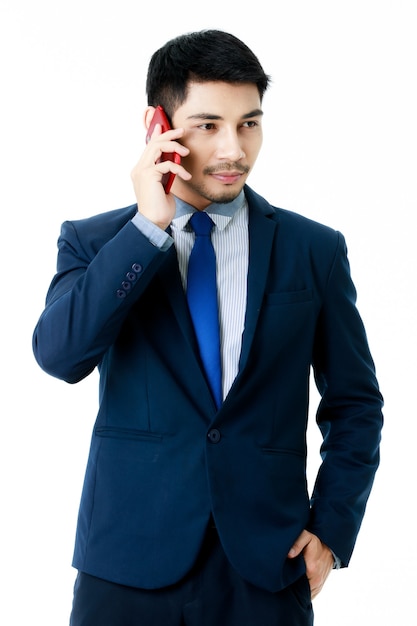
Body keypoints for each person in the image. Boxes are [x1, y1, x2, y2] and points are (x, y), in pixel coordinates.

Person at [32, 29, 383, 626]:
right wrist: (147, 228)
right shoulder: (94, 242)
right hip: (126, 565)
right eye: (208, 125)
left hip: (266, 565)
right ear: (158, 126)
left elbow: (356, 405)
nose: (233, 151)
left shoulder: (313, 250)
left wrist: (331, 529)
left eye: (249, 123)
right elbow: (60, 355)